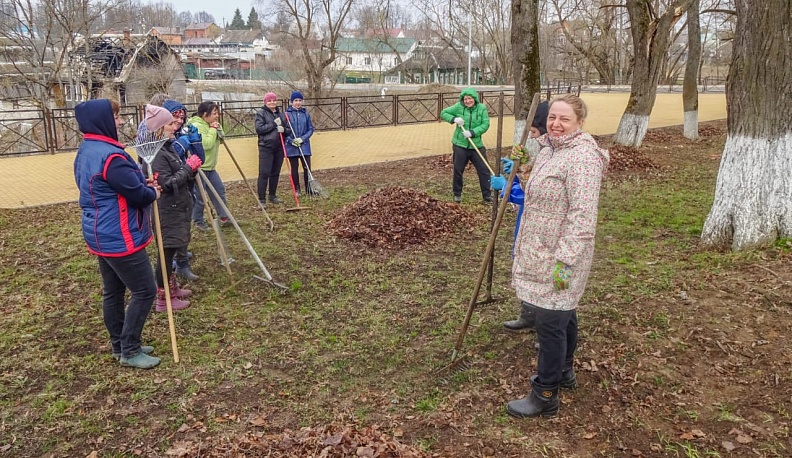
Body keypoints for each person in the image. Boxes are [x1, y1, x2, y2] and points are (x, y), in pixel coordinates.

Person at [494, 94, 609, 418]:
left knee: (550, 323)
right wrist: (523, 166)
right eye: (552, 118)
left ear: (580, 123)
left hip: (560, 257)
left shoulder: (582, 158)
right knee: (564, 315)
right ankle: (564, 373)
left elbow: (583, 218)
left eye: (565, 119)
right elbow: (543, 189)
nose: (556, 124)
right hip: (543, 249)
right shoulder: (551, 148)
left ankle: (545, 394)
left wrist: (565, 261)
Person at [73, 99, 162, 369]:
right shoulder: (111, 156)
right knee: (145, 291)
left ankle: (119, 344)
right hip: (119, 234)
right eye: (116, 116)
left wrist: (138, 181)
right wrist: (152, 191)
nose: (121, 121)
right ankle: (130, 349)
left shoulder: (88, 149)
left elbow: (113, 184)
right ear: (102, 121)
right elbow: (136, 194)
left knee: (113, 292)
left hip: (99, 231)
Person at [494, 100, 550, 331]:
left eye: (535, 131)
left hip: (541, 224)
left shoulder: (553, 153)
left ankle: (545, 326)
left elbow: (536, 194)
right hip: (526, 222)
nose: (533, 136)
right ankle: (528, 315)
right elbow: (531, 179)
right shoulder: (545, 151)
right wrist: (517, 172)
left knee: (539, 272)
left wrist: (508, 188)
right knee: (525, 266)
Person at [142, 105, 203, 313]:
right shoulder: (156, 153)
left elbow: (178, 174)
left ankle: (171, 287)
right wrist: (188, 168)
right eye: (169, 124)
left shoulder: (167, 146)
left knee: (172, 249)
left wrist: (190, 169)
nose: (174, 127)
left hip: (177, 207)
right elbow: (167, 184)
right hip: (167, 209)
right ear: (159, 128)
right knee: (166, 253)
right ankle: (163, 297)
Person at [162, 99, 205, 282]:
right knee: (172, 230)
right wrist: (181, 145)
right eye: (175, 116)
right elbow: (167, 162)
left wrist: (195, 142)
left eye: (182, 116)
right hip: (169, 193)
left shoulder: (182, 133)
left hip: (186, 187)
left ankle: (182, 261)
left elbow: (199, 159)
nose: (179, 120)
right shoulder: (160, 136)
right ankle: (171, 264)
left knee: (184, 226)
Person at [440, 87, 492, 204]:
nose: (468, 101)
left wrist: (472, 132)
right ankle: (457, 194)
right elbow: (443, 113)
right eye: (465, 99)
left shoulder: (481, 108)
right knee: (458, 170)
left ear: (475, 98)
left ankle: (487, 195)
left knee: (484, 170)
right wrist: (454, 119)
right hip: (460, 145)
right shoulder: (458, 107)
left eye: (470, 98)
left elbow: (485, 124)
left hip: (476, 145)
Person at [187, 101, 229, 231]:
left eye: (217, 113)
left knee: (219, 190)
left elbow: (221, 139)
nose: (217, 116)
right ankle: (198, 221)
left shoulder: (209, 124)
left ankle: (224, 217)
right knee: (199, 197)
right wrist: (212, 129)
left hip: (210, 167)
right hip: (200, 168)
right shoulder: (196, 125)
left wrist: (218, 129)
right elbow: (206, 144)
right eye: (214, 113)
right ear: (205, 114)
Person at [255, 92, 291, 206]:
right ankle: (261, 199)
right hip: (266, 147)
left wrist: (284, 130)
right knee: (264, 173)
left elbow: (289, 130)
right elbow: (259, 129)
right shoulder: (261, 113)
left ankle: (272, 195)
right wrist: (274, 125)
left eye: (274, 100)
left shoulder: (281, 114)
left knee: (275, 172)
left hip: (279, 147)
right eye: (269, 101)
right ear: (265, 102)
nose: (272, 102)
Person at [284, 90, 315, 196]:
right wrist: (291, 140)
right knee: (294, 168)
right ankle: (297, 189)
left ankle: (309, 188)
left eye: (300, 100)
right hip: (292, 146)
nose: (298, 102)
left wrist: (302, 139)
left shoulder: (305, 114)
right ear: (292, 101)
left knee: (307, 167)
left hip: (304, 144)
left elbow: (310, 129)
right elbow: (284, 131)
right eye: (295, 100)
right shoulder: (287, 114)